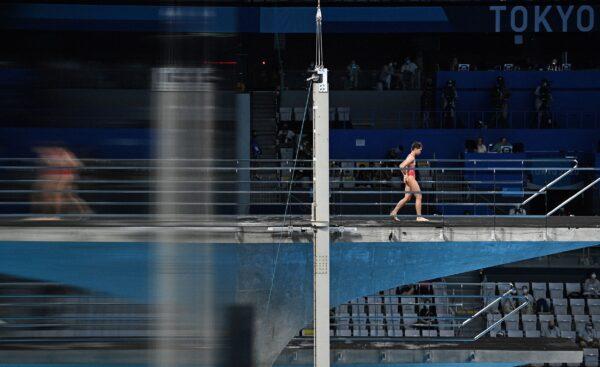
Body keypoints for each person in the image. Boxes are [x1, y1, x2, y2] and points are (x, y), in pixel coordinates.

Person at [390, 142, 429, 222]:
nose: (420, 152)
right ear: (415, 149)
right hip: (411, 178)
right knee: (419, 196)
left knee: (407, 198)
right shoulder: (411, 157)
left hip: (409, 178)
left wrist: (405, 175)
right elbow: (401, 166)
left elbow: (403, 166)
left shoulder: (410, 156)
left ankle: (394, 212)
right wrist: (405, 175)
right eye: (420, 150)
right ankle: (419, 217)